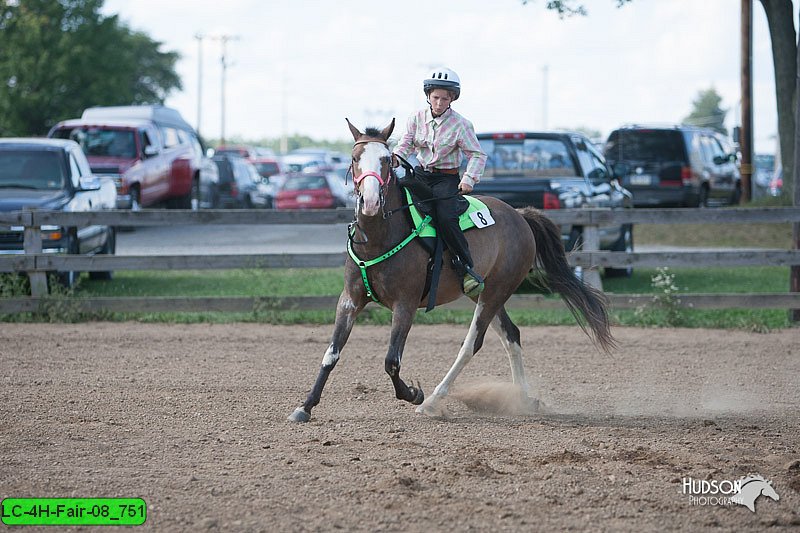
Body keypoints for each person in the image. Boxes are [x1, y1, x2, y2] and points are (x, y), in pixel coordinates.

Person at [392, 67, 488, 298]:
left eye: (445, 98)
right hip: (421, 174)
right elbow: (406, 144)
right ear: (428, 96)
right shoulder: (416, 119)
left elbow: (477, 154)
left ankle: (465, 266)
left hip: (446, 179)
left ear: (452, 99)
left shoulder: (461, 124)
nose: (439, 102)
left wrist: (468, 179)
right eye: (436, 97)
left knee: (446, 217)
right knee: (396, 206)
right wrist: (396, 157)